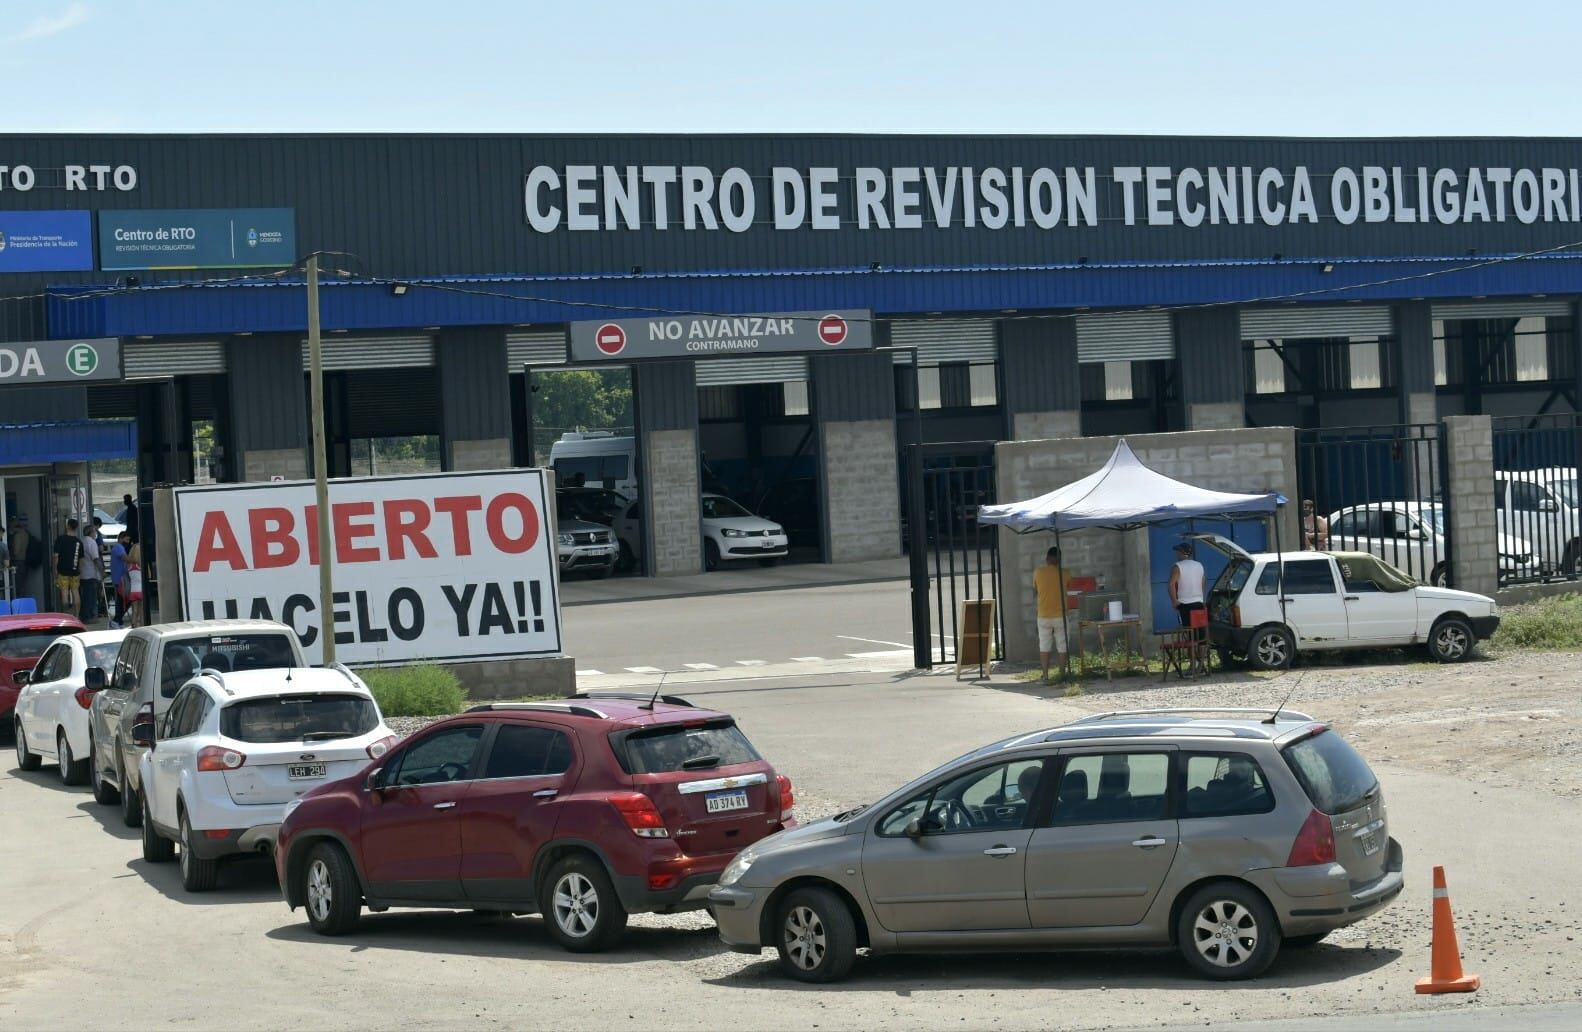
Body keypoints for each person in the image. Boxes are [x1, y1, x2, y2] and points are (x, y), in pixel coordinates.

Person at [1168, 541, 1208, 675]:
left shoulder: (1177, 566)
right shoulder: (1200, 565)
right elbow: (1202, 583)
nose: (1176, 554)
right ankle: (1202, 664)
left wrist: (1174, 601)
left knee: (1190, 636)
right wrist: (1201, 598)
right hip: (1199, 603)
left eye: (1177, 551)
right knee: (1201, 636)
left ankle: (1192, 666)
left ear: (1181, 553)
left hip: (1185, 605)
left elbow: (1171, 584)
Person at [1033, 545, 1069, 682]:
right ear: (1059, 559)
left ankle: (1045, 675)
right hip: (1060, 615)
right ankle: (1062, 673)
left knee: (1044, 645)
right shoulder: (1065, 573)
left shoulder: (1038, 572)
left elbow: (1036, 589)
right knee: (1062, 644)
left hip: (1043, 615)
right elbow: (1068, 586)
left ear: (1047, 558)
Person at [53, 519, 84, 615]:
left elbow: (56, 556)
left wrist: (55, 569)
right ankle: (77, 615)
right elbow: (81, 559)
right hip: (75, 571)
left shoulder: (60, 539)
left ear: (68, 526)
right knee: (75, 592)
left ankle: (67, 615)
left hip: (62, 570)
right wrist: (79, 570)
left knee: (64, 592)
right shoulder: (79, 542)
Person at [80, 523, 103, 623]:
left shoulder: (83, 541)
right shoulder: (92, 542)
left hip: (83, 573)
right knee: (91, 596)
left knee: (85, 596)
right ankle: (89, 616)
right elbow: (96, 559)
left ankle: (85, 615)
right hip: (90, 573)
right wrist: (102, 571)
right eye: (94, 531)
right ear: (91, 532)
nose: (96, 533)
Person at [110, 531, 130, 627]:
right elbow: (125, 558)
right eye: (126, 539)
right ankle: (117, 619)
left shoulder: (120, 547)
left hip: (121, 578)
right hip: (120, 579)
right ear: (121, 538)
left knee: (123, 599)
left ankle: (119, 620)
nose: (128, 542)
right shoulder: (118, 547)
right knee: (122, 600)